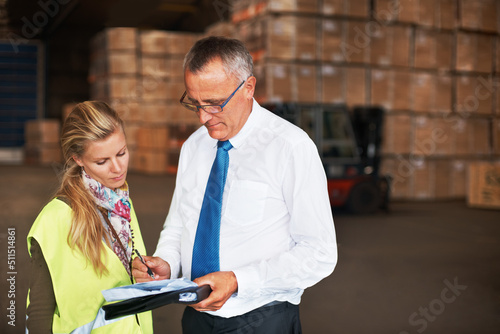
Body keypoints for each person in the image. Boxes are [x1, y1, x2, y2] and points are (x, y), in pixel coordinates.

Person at [133, 36, 337, 333]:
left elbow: (319, 253)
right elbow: (179, 224)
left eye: (215, 104)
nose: (204, 117)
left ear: (248, 88)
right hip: (196, 317)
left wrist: (240, 280)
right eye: (195, 104)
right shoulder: (194, 147)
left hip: (261, 319)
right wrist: (166, 264)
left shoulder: (289, 147)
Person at [26, 101, 153, 333]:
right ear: (78, 159)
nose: (117, 168)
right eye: (102, 161)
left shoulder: (122, 202)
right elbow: (39, 313)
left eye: (122, 153)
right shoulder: (54, 220)